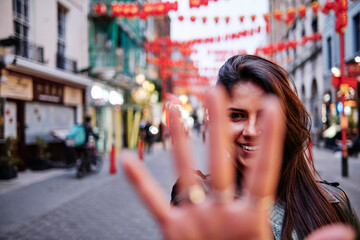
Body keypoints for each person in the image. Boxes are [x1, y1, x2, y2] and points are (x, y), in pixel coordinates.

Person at [121, 55, 359, 240]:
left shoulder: (333, 204)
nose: (252, 131)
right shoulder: (198, 201)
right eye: (237, 115)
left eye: (265, 115)